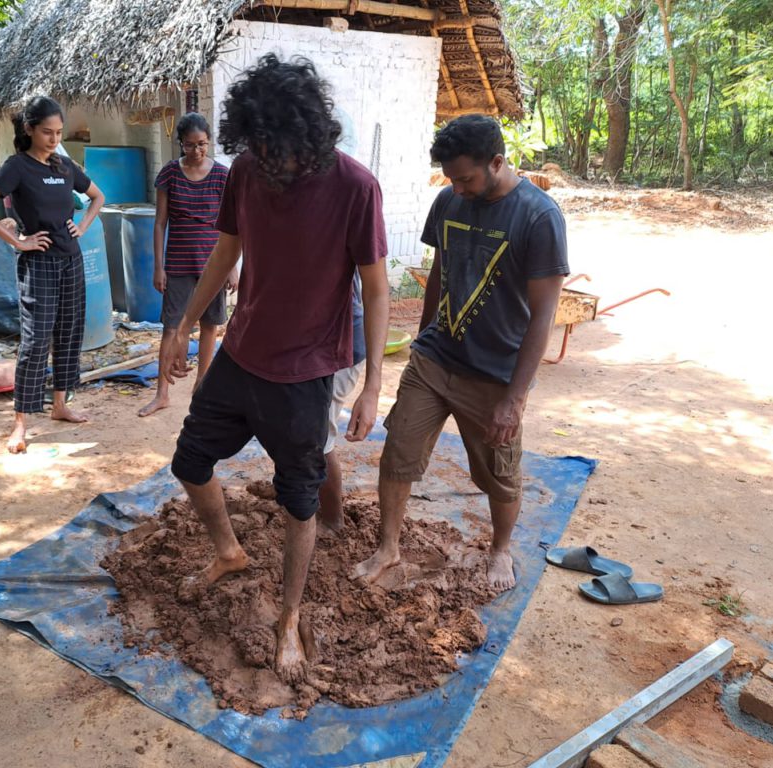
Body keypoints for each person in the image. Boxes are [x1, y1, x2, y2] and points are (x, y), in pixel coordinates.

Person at [163, 54, 390, 683]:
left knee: (298, 503)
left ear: (309, 136)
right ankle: (229, 552)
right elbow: (226, 250)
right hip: (240, 354)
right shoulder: (246, 174)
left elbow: (375, 290)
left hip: (307, 372)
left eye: (278, 150)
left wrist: (372, 385)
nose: (269, 163)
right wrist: (183, 324)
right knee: (189, 462)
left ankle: (289, 617)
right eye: (257, 148)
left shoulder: (355, 187)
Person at [353, 114, 568, 593]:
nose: (458, 188)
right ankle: (388, 546)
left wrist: (515, 398)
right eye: (451, 179)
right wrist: (425, 337)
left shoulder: (538, 216)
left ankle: (500, 550)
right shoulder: (449, 200)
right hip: (435, 361)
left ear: (497, 162)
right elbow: (440, 273)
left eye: (466, 178)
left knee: (499, 474)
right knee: (398, 451)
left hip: (494, 375)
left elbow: (543, 316)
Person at [0, 96, 106, 453]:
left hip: (71, 260)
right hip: (39, 263)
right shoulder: (17, 167)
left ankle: (60, 404)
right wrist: (17, 240)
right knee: (35, 342)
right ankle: (20, 425)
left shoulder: (63, 165)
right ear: (29, 129)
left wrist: (83, 226)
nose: (54, 139)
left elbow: (97, 197)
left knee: (69, 333)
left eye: (59, 132)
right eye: (47, 132)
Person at [139, 113, 236, 418]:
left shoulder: (223, 175)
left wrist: (233, 266)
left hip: (214, 263)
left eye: (203, 144)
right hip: (178, 263)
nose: (197, 151)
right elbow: (159, 224)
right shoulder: (169, 174)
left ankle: (200, 391)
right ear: (180, 143)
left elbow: (233, 226)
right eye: (191, 145)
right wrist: (158, 266)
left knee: (210, 326)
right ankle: (162, 393)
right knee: (171, 327)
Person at [318, 273, 366, 531]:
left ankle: (333, 519)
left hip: (340, 348)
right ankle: (312, 499)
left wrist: (372, 387)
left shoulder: (337, 233)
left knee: (320, 436)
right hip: (312, 347)